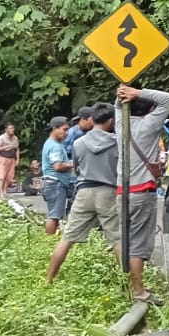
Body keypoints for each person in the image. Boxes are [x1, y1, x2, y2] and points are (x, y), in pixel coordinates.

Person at [115, 84, 169, 301]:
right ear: (150, 109)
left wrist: (125, 92)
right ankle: (138, 290)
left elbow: (118, 105)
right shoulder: (149, 124)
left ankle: (130, 284)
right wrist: (138, 93)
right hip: (142, 191)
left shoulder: (120, 123)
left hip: (122, 191)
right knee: (138, 244)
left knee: (126, 239)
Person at [48, 104, 119, 285]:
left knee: (67, 238)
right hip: (108, 191)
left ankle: (49, 279)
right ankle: (131, 284)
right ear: (111, 121)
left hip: (84, 191)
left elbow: (76, 167)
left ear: (92, 119)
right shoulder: (117, 142)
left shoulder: (78, 143)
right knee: (117, 239)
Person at [39, 116, 77, 236]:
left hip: (54, 183)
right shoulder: (55, 146)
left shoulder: (52, 143)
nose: (67, 133)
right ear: (55, 128)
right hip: (55, 183)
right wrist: (74, 164)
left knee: (55, 214)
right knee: (54, 215)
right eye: (64, 129)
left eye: (68, 130)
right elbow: (57, 166)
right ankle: (49, 239)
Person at [0, 124, 20, 199]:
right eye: (10, 128)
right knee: (2, 176)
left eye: (13, 128)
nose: (12, 130)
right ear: (6, 130)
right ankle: (1, 193)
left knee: (9, 177)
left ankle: (5, 192)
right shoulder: (1, 138)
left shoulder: (15, 138)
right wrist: (6, 147)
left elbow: (17, 149)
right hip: (3, 157)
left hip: (12, 158)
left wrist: (17, 159)